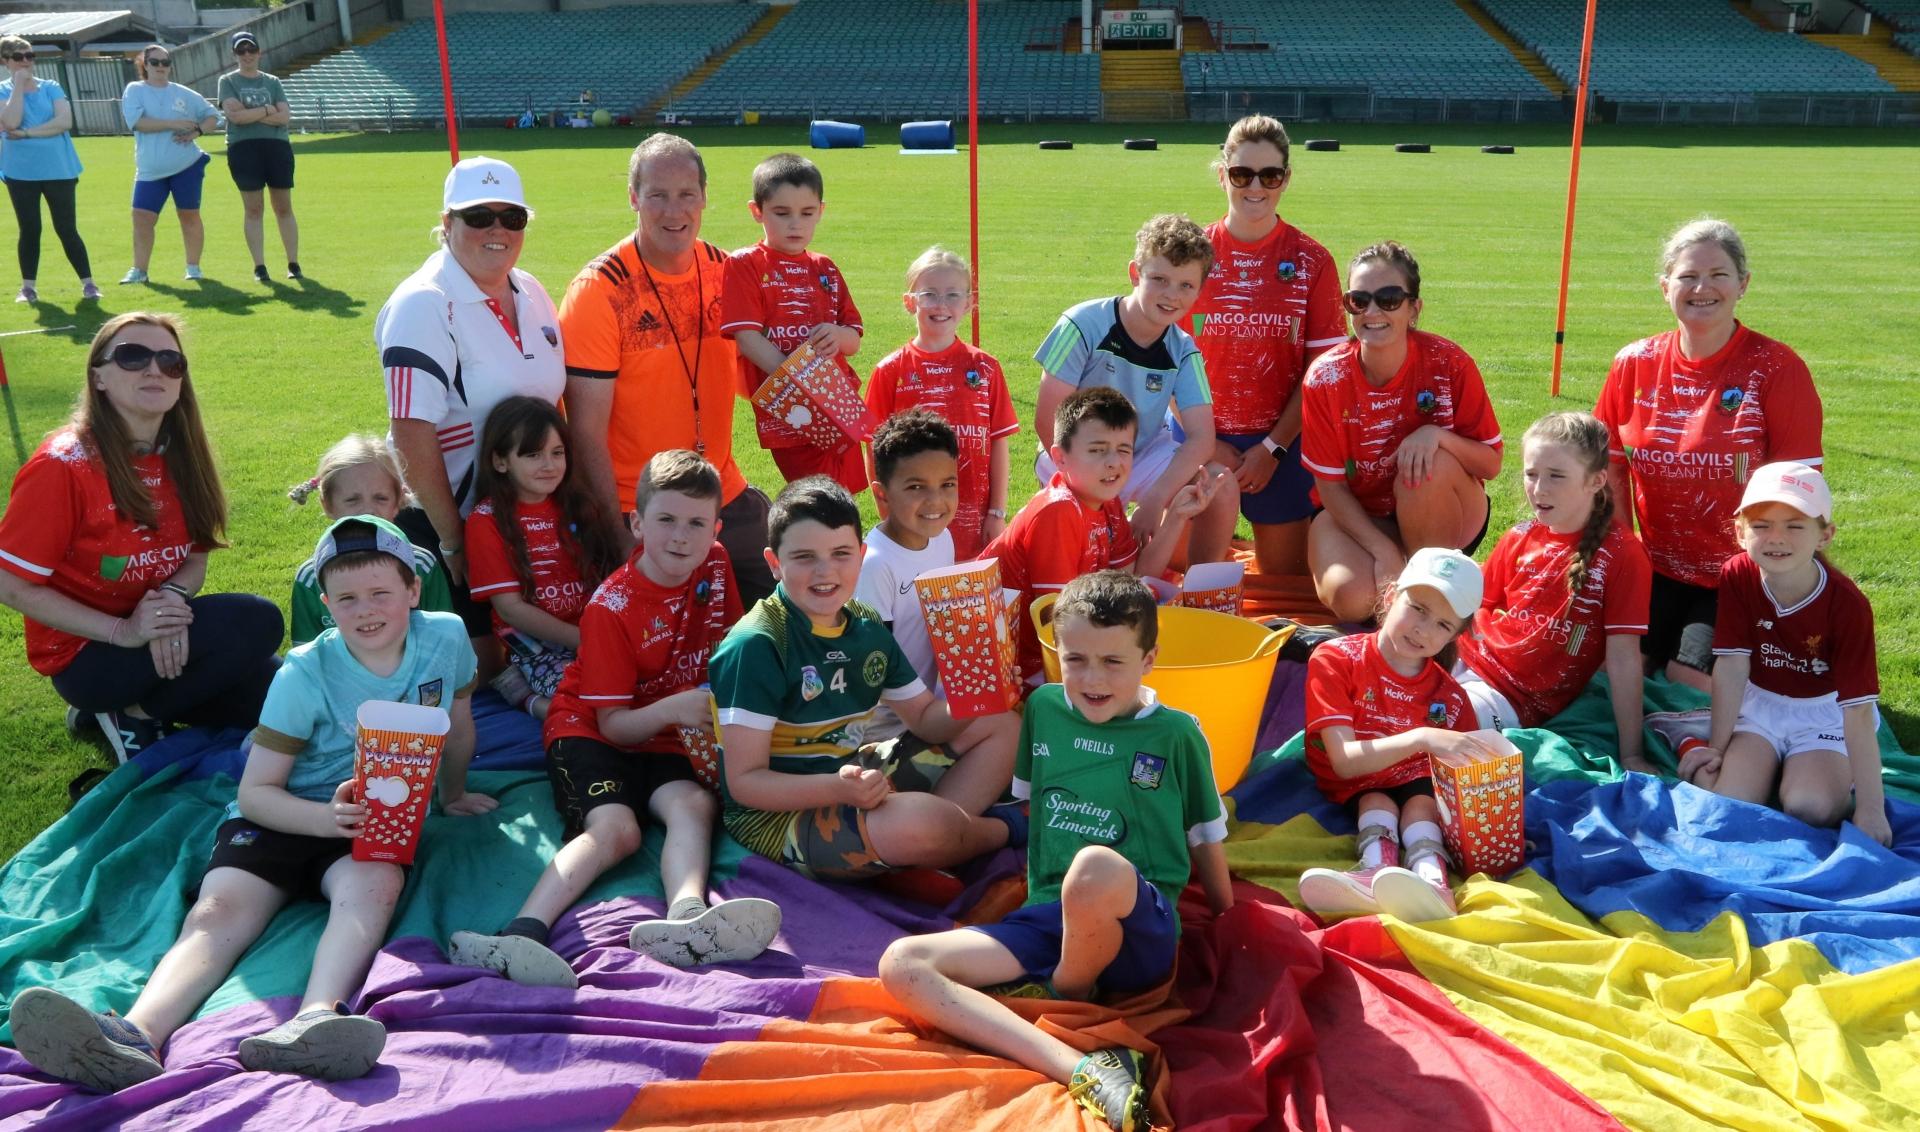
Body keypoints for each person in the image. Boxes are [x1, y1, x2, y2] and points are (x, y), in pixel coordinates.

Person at [8, 516, 494, 1093]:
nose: (366, 610)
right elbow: (255, 794)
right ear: (325, 606)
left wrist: (452, 793)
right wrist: (322, 818)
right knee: (217, 912)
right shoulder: (304, 674)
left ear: (413, 590)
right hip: (282, 811)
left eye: (380, 593)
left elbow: (456, 723)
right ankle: (134, 1035)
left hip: (369, 817)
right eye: (346, 599)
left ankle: (317, 1021)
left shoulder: (445, 639)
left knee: (373, 890)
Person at [880, 570, 1232, 1132]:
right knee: (901, 964)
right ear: (1056, 654)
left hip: (1137, 925)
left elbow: (1205, 835)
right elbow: (1032, 806)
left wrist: (1229, 919)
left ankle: (1064, 993)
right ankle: (1079, 1066)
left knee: (1093, 868)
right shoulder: (1043, 709)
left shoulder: (1177, 734)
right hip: (1048, 918)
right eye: (1075, 659)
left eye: (1112, 661)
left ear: (1148, 659)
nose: (1092, 678)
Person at [451, 449, 780, 985]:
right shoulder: (611, 608)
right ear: (637, 523)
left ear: (716, 529)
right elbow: (613, 725)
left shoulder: (717, 563)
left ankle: (688, 919)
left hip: (668, 732)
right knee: (617, 829)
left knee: (693, 804)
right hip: (592, 729)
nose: (681, 537)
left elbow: (730, 644)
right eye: (666, 519)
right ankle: (520, 934)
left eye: (697, 523)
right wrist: (674, 707)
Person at [707, 476, 1023, 883]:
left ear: (861, 555)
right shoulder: (757, 644)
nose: (825, 571)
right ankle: (1003, 830)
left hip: (853, 776)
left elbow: (925, 719)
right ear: (773, 563)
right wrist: (837, 790)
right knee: (921, 825)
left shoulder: (866, 625)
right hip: (778, 818)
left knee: (1003, 724)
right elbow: (745, 784)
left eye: (841, 553)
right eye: (804, 557)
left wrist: (984, 691)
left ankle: (935, 849)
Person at [0, 313, 282, 762]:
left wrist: (168, 602)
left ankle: (128, 710)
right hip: (89, 655)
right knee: (257, 620)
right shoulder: (63, 466)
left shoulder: (183, 455)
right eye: (133, 356)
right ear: (99, 377)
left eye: (170, 361)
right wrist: (125, 631)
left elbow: (195, 557)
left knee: (278, 695)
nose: (155, 369)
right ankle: (128, 713)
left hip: (157, 634)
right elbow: (11, 584)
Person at [1594, 218, 1822, 692]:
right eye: (1688, 276)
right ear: (1665, 287)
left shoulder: (1776, 368)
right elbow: (1608, 471)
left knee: (1686, 680)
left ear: (1743, 284)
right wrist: (1624, 562)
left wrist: (1779, 579)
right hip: (1656, 568)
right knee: (1613, 666)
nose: (1702, 288)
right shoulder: (1633, 363)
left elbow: (1798, 495)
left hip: (1742, 573)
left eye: (1719, 275)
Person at [560, 133, 775, 606]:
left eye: (686, 194)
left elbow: (756, 381)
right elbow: (585, 431)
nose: (673, 211)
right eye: (657, 195)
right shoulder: (600, 291)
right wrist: (618, 533)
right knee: (662, 637)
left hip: (720, 490)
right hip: (638, 505)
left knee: (783, 612)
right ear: (633, 197)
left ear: (704, 197)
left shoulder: (727, 272)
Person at [376, 155, 566, 674]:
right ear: (447, 223)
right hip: (451, 523)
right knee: (479, 665)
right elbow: (410, 432)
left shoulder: (531, 290)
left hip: (527, 519)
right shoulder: (423, 304)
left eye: (512, 217)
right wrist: (453, 542)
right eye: (479, 217)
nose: (498, 230)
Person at [1671, 464, 1889, 847]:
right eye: (1761, 525)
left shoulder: (1847, 605)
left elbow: (1856, 709)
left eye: (1794, 525)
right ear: (1740, 532)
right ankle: (1693, 740)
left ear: (1825, 535)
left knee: (1811, 808)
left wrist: (1872, 808)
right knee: (1730, 805)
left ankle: (1813, 772)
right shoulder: (1737, 573)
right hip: (1760, 708)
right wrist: (1716, 747)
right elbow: (1732, 664)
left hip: (1824, 715)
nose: (1776, 538)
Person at [1301, 241, 1503, 623]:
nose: (1373, 311)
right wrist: (1384, 551)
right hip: (1359, 513)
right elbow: (1330, 487)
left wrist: (1438, 436)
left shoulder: (1450, 363)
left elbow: (1491, 463)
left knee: (1426, 466)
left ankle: (1430, 592)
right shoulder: (1325, 377)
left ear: (1414, 309)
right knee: (1352, 598)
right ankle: (1405, 579)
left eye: (1389, 299)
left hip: (1444, 507)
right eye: (1359, 300)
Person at [1295, 548, 1492, 923]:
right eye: (1418, 608)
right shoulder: (1336, 659)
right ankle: (1375, 872)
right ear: (1390, 597)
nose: (1423, 629)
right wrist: (1422, 738)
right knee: (1375, 800)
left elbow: (1471, 777)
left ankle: (1433, 883)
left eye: (1443, 625)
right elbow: (1344, 762)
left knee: (1421, 804)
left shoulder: (1451, 697)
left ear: (1455, 635)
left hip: (1416, 780)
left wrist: (1495, 832)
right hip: (1355, 780)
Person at [1033, 213, 1239, 566]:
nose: (1171, 295)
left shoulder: (1183, 350)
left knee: (1219, 484)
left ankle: (1200, 587)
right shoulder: (1081, 324)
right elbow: (1048, 420)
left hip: (1140, 452)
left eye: (1186, 285)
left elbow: (1202, 438)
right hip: (1076, 452)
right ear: (1134, 273)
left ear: (1199, 290)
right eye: (1159, 279)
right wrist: (1102, 486)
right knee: (1086, 560)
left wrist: (1155, 499)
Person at [1186, 115, 1344, 575]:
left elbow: (1322, 373)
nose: (1256, 187)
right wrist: (1206, 444)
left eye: (1270, 175)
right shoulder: (1191, 254)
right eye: (1242, 174)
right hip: (1196, 436)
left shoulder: (1312, 260)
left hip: (1284, 441)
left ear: (1286, 178)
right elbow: (1163, 358)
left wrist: (1273, 447)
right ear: (1223, 175)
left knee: (1284, 578)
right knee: (1179, 568)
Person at [1454, 413, 1653, 771]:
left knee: (1439, 722)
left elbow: (1624, 659)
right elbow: (1470, 609)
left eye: (1556, 476)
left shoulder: (1623, 555)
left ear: (1596, 480)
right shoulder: (1519, 536)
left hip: (1510, 697)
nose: (1539, 489)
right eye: (1531, 474)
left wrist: (1632, 754)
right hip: (1460, 657)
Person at [986, 386, 1222, 687]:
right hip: (1017, 665)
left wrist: (1176, 515)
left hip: (1064, 647)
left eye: (1123, 449)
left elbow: (1135, 578)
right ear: (1060, 458)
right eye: (1097, 450)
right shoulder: (1058, 511)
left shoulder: (1106, 502)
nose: (1113, 461)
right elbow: (1058, 621)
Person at [464, 396, 623, 719]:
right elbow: (510, 609)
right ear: (500, 462)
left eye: (557, 453)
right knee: (589, 704)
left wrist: (605, 636)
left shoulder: (578, 505)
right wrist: (583, 640)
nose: (549, 465)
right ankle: (526, 697)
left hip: (593, 632)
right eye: (533, 455)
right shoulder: (486, 520)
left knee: (641, 682)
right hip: (537, 646)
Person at [721, 151, 868, 494]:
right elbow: (747, 338)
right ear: (757, 211)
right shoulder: (745, 264)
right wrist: (800, 382)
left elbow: (854, 340)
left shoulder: (825, 268)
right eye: (782, 213)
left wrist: (837, 335)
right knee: (815, 497)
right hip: (790, 409)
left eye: (807, 213)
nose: (795, 224)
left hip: (838, 401)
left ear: (821, 211)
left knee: (844, 497)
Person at [864, 246, 1017, 559]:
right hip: (912, 519)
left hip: (975, 521)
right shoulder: (890, 370)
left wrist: (996, 512)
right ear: (910, 302)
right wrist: (887, 510)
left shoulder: (985, 368)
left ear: (969, 303)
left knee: (966, 586)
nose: (941, 304)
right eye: (929, 294)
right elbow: (872, 448)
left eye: (953, 295)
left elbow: (998, 442)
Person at [288, 434, 454, 645]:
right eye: (352, 500)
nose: (368, 510)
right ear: (327, 505)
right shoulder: (310, 578)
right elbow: (306, 653)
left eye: (380, 498)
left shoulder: (421, 565)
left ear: (398, 502)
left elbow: (444, 638)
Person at [1, 35, 97, 302]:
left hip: (59, 169)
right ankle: (28, 287)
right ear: (5, 61)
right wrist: (18, 87)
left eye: (29, 56)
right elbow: (10, 121)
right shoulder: (3, 91)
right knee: (30, 229)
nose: (26, 61)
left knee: (66, 228)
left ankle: (89, 283)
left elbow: (64, 122)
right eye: (18, 57)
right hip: (21, 172)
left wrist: (28, 133)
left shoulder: (51, 86)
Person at [118, 44, 219, 284]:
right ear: (145, 65)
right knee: (141, 217)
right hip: (150, 170)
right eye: (155, 62)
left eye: (165, 62)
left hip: (186, 165)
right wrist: (173, 124)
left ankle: (193, 268)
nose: (160, 66)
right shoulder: (135, 90)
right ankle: (139, 271)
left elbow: (213, 116)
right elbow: (138, 123)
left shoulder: (183, 93)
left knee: (189, 215)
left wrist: (197, 131)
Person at [217, 30, 300, 283]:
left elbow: (284, 117)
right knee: (253, 208)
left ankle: (293, 263)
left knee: (283, 206)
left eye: (251, 49)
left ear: (259, 52)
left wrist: (250, 113)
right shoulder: (227, 81)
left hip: (276, 147)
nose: (247, 55)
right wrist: (266, 109)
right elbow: (235, 117)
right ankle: (260, 266)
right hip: (244, 149)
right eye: (241, 51)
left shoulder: (272, 81)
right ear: (234, 55)